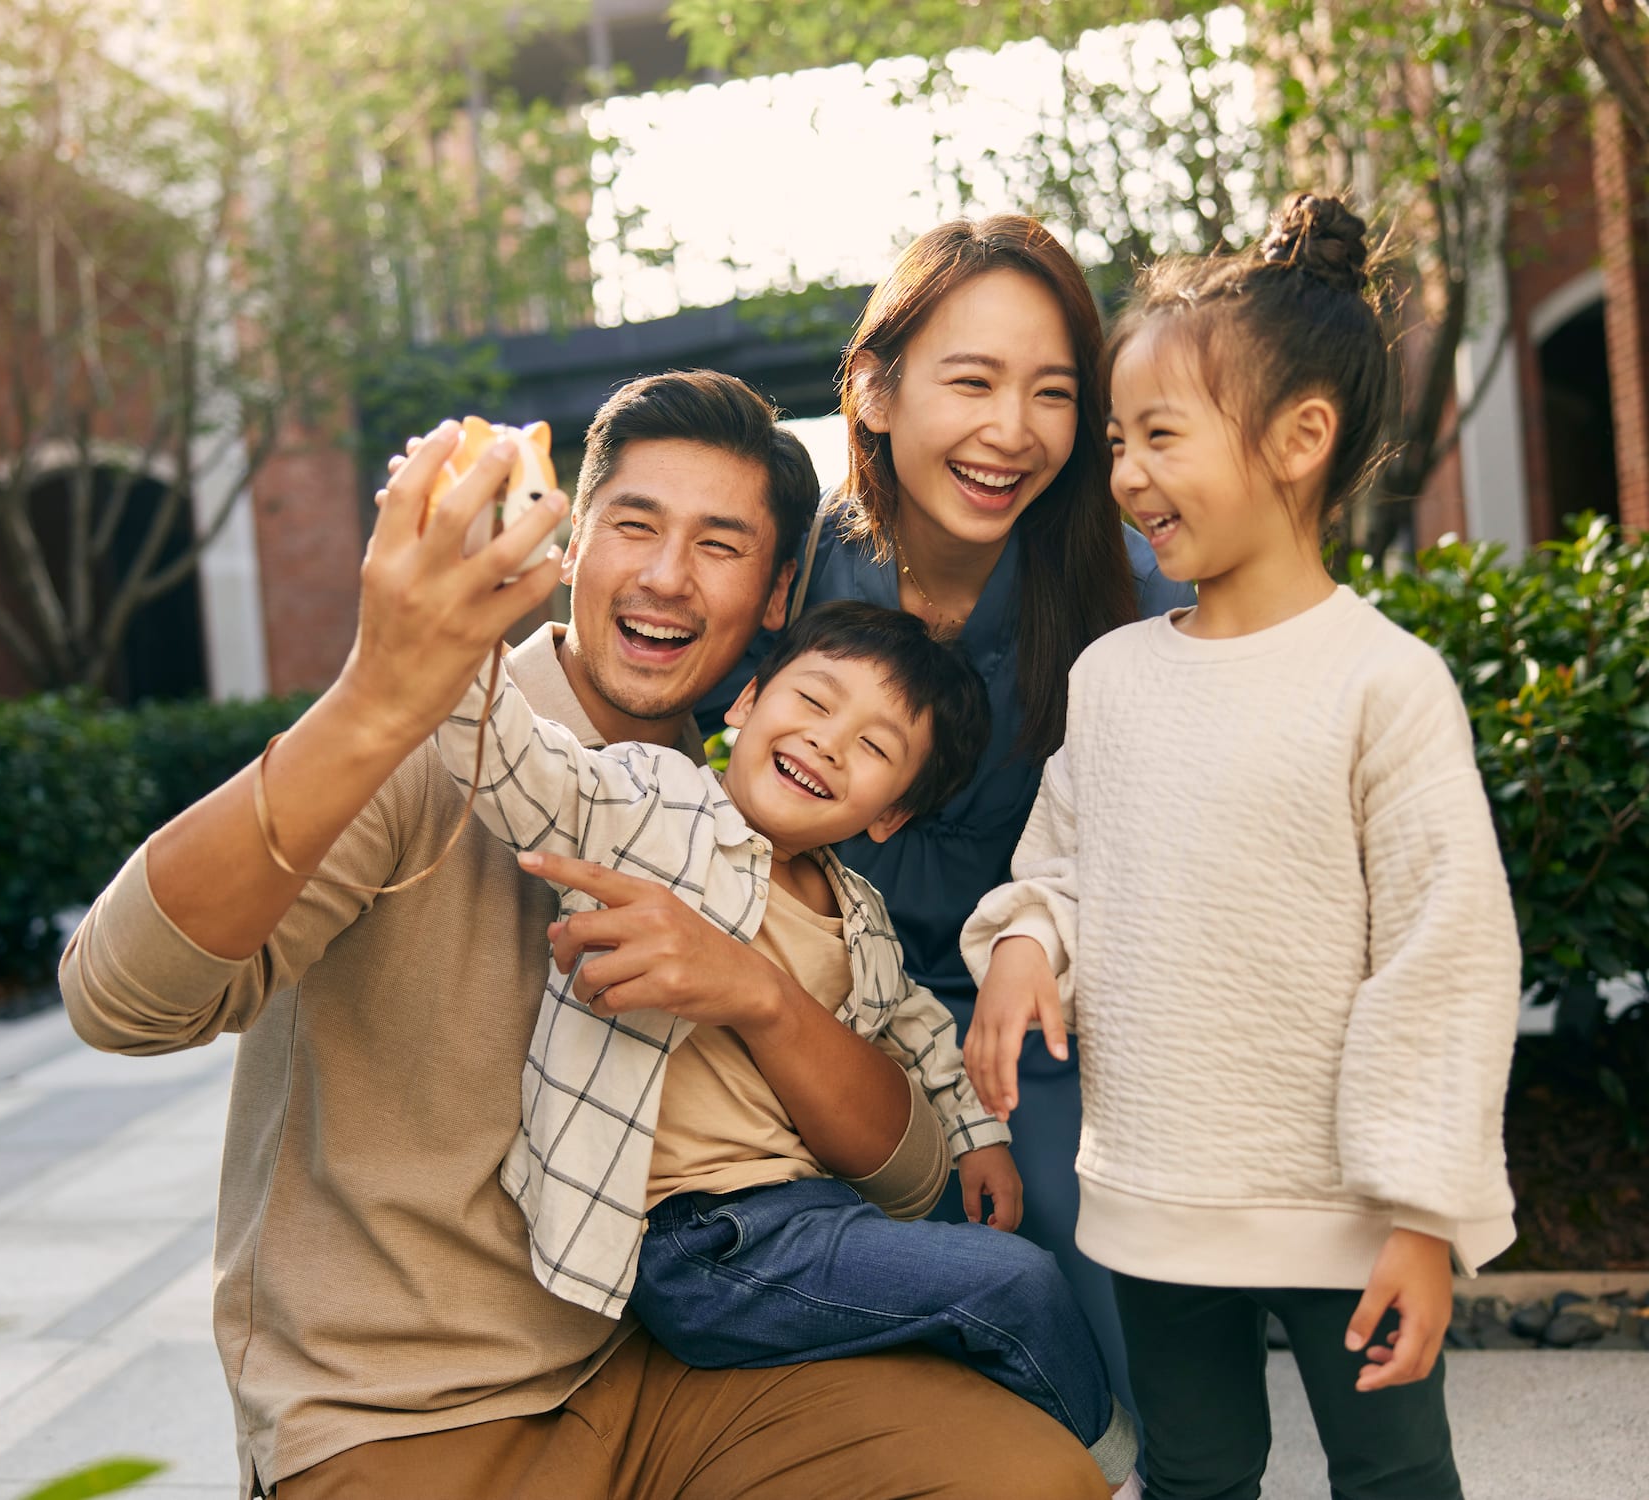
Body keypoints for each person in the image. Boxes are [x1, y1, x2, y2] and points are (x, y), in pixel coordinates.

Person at [59, 369, 1111, 1499]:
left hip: (661, 1373)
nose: (664, 575)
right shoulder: (431, 751)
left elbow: (904, 1182)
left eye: (718, 544)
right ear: (571, 547)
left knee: (1026, 1477)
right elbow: (119, 1000)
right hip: (400, 1414)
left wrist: (755, 992)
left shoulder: (758, 821)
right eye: (633, 525)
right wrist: (374, 700)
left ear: (773, 596)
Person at [961, 194, 1520, 1500]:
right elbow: (1065, 867)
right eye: (1117, 442)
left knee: (1392, 1475)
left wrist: (1425, 1216)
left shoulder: (1385, 683)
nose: (1125, 476)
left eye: (1159, 436)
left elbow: (1446, 955)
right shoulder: (1112, 681)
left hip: (1350, 1210)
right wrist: (1029, 946)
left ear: (1300, 439)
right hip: (1159, 1193)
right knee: (1196, 1476)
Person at [431, 600, 1138, 1492]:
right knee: (1016, 1287)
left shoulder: (863, 922)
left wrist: (979, 1139)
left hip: (812, 1219)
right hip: (700, 1243)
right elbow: (519, 768)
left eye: (877, 748)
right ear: (747, 701)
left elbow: (916, 1026)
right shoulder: (653, 801)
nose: (829, 743)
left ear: (893, 815)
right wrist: (452, 632)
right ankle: (1115, 1477)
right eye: (813, 700)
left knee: (978, 1325)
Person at [701, 217, 1191, 1418]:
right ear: (872, 387)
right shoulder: (787, 572)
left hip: (1024, 1012)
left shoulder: (1130, 592)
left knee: (1075, 1209)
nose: (1008, 431)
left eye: (1051, 393)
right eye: (969, 381)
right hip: (791, 980)